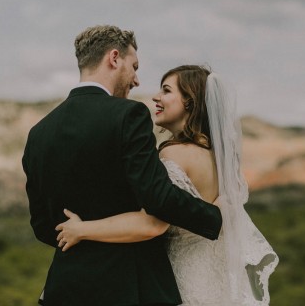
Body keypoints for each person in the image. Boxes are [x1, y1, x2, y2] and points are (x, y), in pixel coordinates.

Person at [22, 26, 223, 306]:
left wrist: (79, 233)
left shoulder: (39, 132)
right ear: (114, 58)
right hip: (128, 288)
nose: (137, 80)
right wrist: (215, 216)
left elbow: (42, 225)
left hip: (63, 289)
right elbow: (157, 198)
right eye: (134, 67)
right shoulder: (128, 115)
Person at [56, 65, 279, 305]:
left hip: (177, 278)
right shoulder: (220, 158)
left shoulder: (173, 154)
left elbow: (153, 222)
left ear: (189, 102)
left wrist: (81, 230)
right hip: (214, 277)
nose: (156, 97)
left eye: (166, 90)